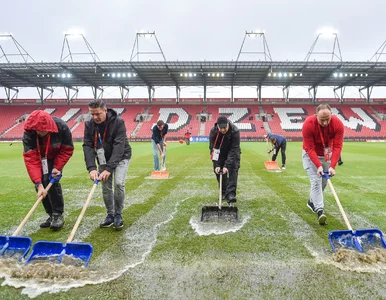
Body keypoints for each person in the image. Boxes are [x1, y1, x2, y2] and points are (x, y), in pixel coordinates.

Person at [83, 99, 132, 230]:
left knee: (118, 183)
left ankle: (118, 214)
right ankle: (110, 214)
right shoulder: (89, 124)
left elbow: (118, 146)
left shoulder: (118, 122)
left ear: (105, 110)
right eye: (92, 114)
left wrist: (109, 169)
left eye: (98, 114)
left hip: (121, 155)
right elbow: (87, 146)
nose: (95, 117)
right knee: (105, 186)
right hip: (103, 158)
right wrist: (92, 168)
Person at [22, 110, 74, 230]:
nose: (39, 133)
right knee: (41, 185)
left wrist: (58, 167)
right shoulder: (29, 133)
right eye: (36, 130)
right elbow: (30, 158)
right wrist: (38, 183)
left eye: (41, 130)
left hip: (55, 157)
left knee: (51, 181)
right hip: (40, 158)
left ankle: (57, 214)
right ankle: (50, 215)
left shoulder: (62, 127)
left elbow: (67, 149)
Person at [302, 104, 344, 225]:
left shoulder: (338, 124)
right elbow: (309, 148)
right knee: (316, 180)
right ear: (316, 116)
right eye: (322, 120)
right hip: (309, 153)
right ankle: (320, 211)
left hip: (325, 154)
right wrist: (318, 165)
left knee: (324, 182)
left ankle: (311, 201)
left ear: (331, 115)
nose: (325, 123)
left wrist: (332, 166)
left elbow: (337, 146)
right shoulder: (308, 124)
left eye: (327, 119)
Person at [209, 115, 241, 203]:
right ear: (217, 126)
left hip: (233, 152)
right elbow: (213, 148)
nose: (223, 130)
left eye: (224, 127)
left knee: (233, 170)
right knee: (219, 172)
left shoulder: (235, 131)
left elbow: (234, 149)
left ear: (228, 124)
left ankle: (230, 194)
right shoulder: (213, 132)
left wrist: (227, 165)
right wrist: (217, 165)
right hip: (220, 153)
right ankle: (223, 192)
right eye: (221, 128)